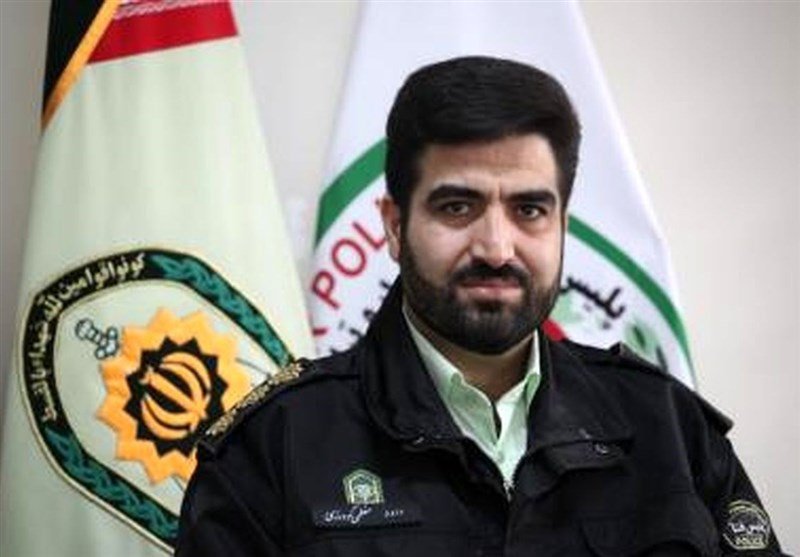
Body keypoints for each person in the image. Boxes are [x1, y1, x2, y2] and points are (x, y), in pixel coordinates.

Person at [176, 56, 785, 556]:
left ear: (561, 225)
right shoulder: (274, 446)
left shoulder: (669, 429)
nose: (496, 248)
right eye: (457, 207)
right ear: (394, 225)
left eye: (529, 210)